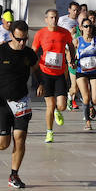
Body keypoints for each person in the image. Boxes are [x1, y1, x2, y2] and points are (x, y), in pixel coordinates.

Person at [0, 20, 40, 189]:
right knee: (3, 144)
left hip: (22, 101)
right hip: (1, 102)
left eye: (25, 39)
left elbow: (36, 68)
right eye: (19, 39)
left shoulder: (28, 53)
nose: (22, 43)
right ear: (11, 35)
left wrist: (41, 83)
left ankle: (14, 175)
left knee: (20, 139)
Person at [32, 9, 76, 143]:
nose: (54, 20)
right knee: (50, 105)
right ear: (46, 19)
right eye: (51, 17)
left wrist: (72, 58)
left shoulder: (64, 33)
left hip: (60, 73)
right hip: (45, 73)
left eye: (55, 17)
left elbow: (71, 46)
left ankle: (58, 111)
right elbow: (34, 50)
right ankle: (49, 132)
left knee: (62, 105)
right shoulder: (40, 33)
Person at [74, 18, 96, 130]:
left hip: (94, 71)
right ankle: (87, 122)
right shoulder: (77, 41)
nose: (88, 29)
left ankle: (91, 105)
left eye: (90, 26)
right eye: (85, 26)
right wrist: (71, 62)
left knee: (95, 99)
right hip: (81, 72)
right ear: (81, 28)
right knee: (86, 97)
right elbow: (69, 52)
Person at [58, 1, 81, 110]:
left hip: (74, 53)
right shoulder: (62, 19)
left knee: (74, 81)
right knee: (65, 77)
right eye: (74, 10)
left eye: (77, 10)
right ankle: (64, 97)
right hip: (64, 51)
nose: (75, 12)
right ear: (69, 10)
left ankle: (71, 98)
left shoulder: (80, 22)